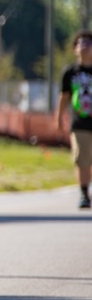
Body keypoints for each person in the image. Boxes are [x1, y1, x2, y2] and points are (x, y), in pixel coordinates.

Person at [56, 29, 92, 209]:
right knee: (82, 159)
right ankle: (84, 194)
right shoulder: (70, 73)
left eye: (88, 43)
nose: (85, 47)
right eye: (81, 43)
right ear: (75, 49)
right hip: (79, 123)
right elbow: (65, 96)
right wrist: (59, 118)